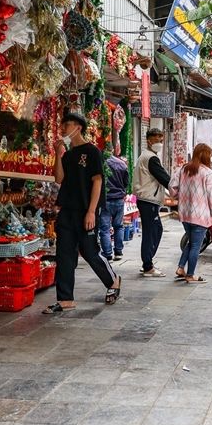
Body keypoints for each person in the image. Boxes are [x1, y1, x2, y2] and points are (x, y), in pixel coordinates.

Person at [44, 113, 120, 313]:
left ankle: (113, 281)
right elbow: (59, 179)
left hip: (87, 209)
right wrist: (58, 154)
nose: (62, 129)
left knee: (90, 251)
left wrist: (92, 212)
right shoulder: (68, 154)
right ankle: (65, 299)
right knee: (64, 254)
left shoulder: (92, 152)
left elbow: (98, 181)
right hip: (67, 210)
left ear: (78, 127)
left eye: (66, 125)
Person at [169, 143, 212, 283]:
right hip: (201, 215)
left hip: (185, 213)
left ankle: (180, 267)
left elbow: (172, 187)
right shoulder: (207, 172)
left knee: (191, 242)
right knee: (195, 246)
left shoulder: (184, 169)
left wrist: (180, 195)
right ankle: (190, 275)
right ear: (206, 155)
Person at [133, 128, 171, 277]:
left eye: (161, 140)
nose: (159, 143)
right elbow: (164, 178)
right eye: (156, 140)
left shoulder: (148, 156)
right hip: (148, 200)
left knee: (155, 230)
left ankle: (148, 261)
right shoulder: (151, 158)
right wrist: (178, 188)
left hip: (148, 200)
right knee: (151, 232)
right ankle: (148, 266)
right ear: (148, 140)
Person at [100, 146, 129, 261]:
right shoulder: (122, 164)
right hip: (119, 199)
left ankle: (107, 253)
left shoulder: (101, 164)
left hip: (105, 199)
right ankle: (118, 251)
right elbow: (126, 182)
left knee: (105, 228)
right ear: (112, 150)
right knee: (119, 226)